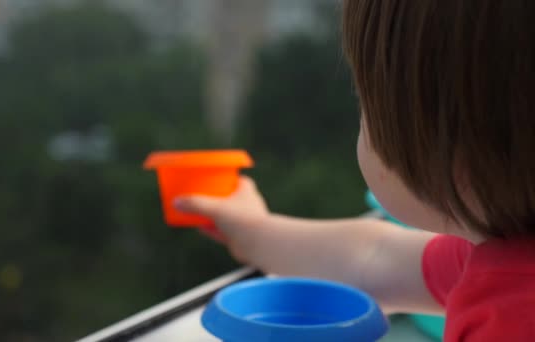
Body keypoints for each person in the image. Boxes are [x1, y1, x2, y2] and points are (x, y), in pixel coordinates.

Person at [175, 0, 535, 341]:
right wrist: (252, 230)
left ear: (453, 155)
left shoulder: (508, 321)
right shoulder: (504, 254)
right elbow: (371, 261)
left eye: (365, 103)